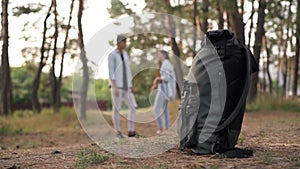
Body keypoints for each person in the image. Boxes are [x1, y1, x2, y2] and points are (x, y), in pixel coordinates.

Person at [108, 35, 137, 138]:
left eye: (126, 42)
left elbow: (127, 70)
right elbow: (111, 72)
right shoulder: (112, 55)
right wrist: (114, 86)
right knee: (117, 108)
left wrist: (131, 84)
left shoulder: (125, 54)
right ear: (118, 42)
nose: (125, 44)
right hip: (117, 86)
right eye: (123, 42)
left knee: (133, 107)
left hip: (126, 86)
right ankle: (118, 132)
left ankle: (131, 131)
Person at [152, 50, 175, 134]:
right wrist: (156, 83)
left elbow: (167, 78)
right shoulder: (165, 64)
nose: (158, 56)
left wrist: (157, 79)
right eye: (157, 54)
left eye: (159, 54)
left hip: (164, 91)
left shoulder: (166, 63)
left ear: (164, 55)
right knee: (165, 110)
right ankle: (166, 128)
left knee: (156, 109)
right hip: (165, 89)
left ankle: (161, 128)